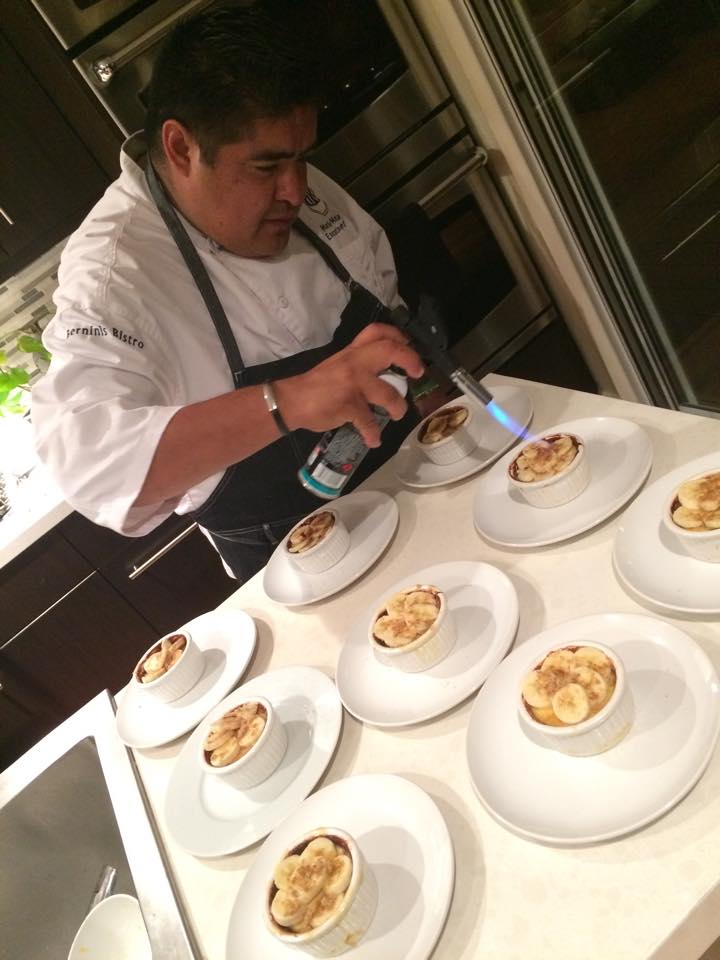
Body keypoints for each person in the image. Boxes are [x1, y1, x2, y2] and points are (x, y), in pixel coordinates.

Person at [32, 1, 423, 582]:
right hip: (295, 565)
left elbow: (383, 293)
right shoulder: (113, 276)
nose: (295, 191)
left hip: (417, 481)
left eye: (302, 158)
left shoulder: (294, 186)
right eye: (266, 168)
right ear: (181, 148)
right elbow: (93, 466)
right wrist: (288, 400)